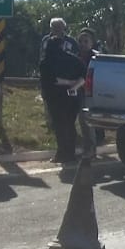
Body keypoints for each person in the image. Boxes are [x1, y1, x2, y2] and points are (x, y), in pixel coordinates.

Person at [38, 18, 83, 164]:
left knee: (64, 125)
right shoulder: (49, 60)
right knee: (64, 125)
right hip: (62, 95)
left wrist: (69, 83)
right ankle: (64, 153)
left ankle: (68, 153)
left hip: (64, 95)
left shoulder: (70, 52)